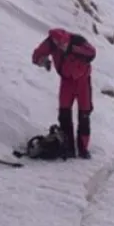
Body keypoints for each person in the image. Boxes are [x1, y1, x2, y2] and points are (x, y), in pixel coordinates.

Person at [32, 28, 96, 159]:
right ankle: (69, 148)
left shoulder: (77, 41)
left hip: (83, 81)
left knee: (84, 114)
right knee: (64, 113)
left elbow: (92, 53)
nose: (62, 47)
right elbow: (36, 55)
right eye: (59, 44)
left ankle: (83, 149)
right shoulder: (50, 43)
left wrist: (72, 49)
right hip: (66, 81)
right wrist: (43, 61)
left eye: (64, 44)